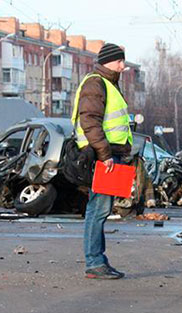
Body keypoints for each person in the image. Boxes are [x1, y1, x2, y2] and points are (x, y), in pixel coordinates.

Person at [72, 43, 133, 279]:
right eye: (120, 61)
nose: (123, 66)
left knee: (102, 209)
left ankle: (99, 260)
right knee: (98, 209)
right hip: (103, 156)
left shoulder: (107, 84)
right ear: (108, 61)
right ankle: (94, 262)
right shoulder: (96, 83)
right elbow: (90, 121)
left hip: (110, 154)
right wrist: (105, 154)